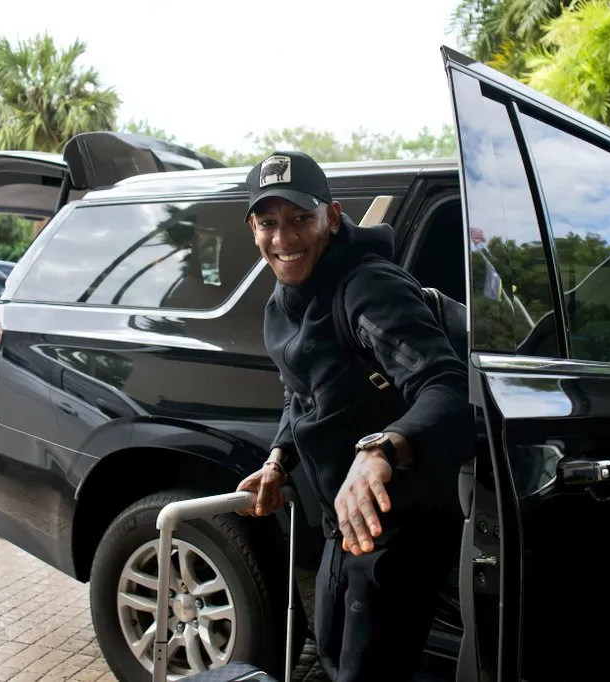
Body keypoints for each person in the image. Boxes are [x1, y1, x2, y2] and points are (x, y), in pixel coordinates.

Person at [235, 150, 475, 681]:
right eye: (269, 223)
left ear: (333, 216)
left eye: (301, 219)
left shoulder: (367, 287)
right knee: (332, 652)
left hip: (397, 526)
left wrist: (381, 450)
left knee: (367, 670)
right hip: (340, 525)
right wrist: (279, 458)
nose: (285, 239)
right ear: (253, 228)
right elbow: (299, 393)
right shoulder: (283, 300)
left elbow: (447, 388)